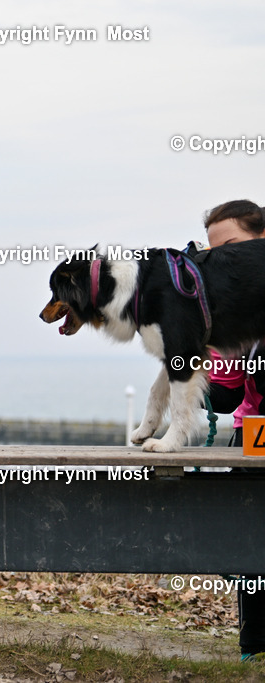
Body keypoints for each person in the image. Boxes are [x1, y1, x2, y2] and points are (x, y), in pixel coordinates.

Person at [203, 199, 265, 662]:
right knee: (242, 544)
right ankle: (255, 646)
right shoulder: (233, 309)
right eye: (215, 253)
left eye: (234, 247)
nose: (224, 261)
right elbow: (223, 397)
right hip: (251, 438)